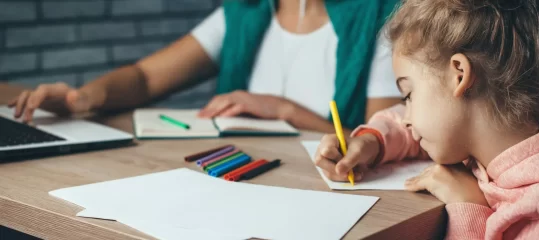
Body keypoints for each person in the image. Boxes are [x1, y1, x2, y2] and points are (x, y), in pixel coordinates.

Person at [313, 0, 539, 238]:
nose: (408, 117)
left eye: (409, 94)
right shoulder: (508, 133)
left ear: (459, 75)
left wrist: (468, 207)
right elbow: (411, 123)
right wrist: (371, 142)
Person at [8, 0, 402, 133]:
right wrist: (80, 97)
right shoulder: (244, 12)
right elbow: (146, 78)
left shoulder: (383, 19)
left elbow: (381, 143)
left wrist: (283, 110)